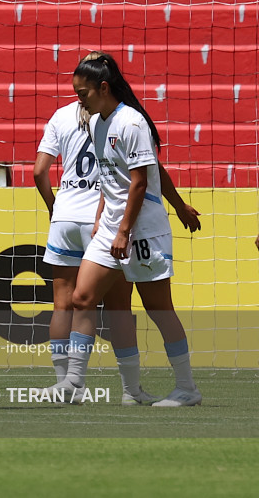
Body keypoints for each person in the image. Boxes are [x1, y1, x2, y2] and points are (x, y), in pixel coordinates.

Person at [35, 53, 201, 405]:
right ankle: (74, 383)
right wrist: (100, 216)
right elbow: (108, 180)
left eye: (83, 93)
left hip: (141, 231)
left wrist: (125, 230)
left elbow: (140, 182)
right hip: (110, 226)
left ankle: (187, 388)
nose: (79, 99)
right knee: (82, 297)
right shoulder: (97, 122)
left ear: (103, 87)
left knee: (158, 309)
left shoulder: (132, 123)